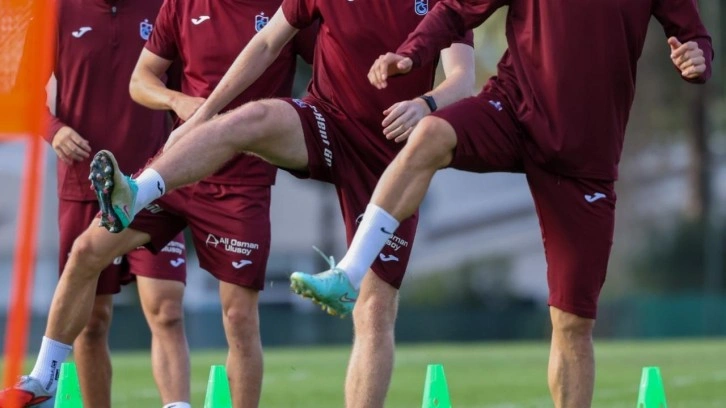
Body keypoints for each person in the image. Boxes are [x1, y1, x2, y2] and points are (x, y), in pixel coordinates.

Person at [290, 0, 714, 407]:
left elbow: (695, 37)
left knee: (573, 323)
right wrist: (411, 54)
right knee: (430, 134)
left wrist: (697, 60)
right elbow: (456, 9)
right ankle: (350, 272)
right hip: (512, 110)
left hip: (585, 157)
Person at [88, 0, 476, 406]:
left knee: (374, 308)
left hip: (391, 159)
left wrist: (425, 104)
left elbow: (462, 80)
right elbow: (265, 43)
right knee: (251, 118)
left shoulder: (441, 5)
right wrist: (201, 117)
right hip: (327, 123)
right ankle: (137, 192)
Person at [2, 0, 317, 406]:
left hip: (227, 181)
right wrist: (175, 101)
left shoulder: (278, 8)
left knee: (218, 314)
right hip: (155, 173)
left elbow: (329, 64)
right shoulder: (175, 5)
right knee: (87, 266)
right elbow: (140, 80)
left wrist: (298, 125)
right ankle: (44, 379)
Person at [0, 1, 190, 407]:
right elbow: (24, 91)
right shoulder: (57, 12)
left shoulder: (161, 7)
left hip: (152, 184)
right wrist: (54, 131)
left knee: (167, 309)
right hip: (84, 186)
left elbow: (183, 92)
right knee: (92, 321)